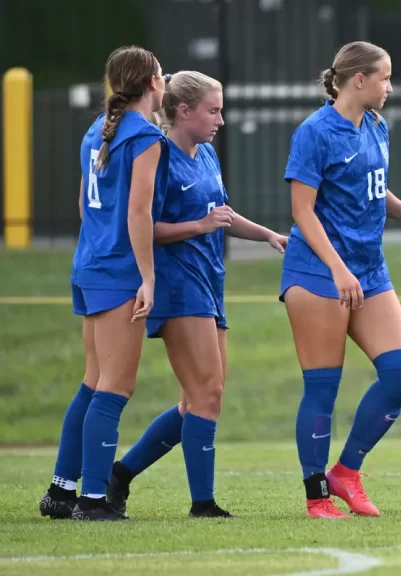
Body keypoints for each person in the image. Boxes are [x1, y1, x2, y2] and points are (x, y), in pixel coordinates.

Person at [101, 71, 289, 519]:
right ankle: (203, 504)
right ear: (183, 111)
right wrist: (198, 226)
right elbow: (144, 226)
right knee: (207, 393)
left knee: (199, 401)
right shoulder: (159, 154)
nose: (220, 120)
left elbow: (220, 215)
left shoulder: (205, 153)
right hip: (177, 286)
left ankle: (120, 475)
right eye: (213, 111)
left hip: (210, 282)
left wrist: (267, 234)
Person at [281, 41, 401, 519]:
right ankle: (317, 496)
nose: (390, 87)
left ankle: (346, 472)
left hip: (368, 271)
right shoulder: (314, 132)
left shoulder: (375, 124)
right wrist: (337, 269)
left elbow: (373, 188)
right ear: (358, 80)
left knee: (400, 372)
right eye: (384, 78)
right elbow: (302, 211)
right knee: (323, 388)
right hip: (318, 272)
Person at [38, 45, 168, 521]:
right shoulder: (145, 136)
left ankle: (61, 492)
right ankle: (93, 500)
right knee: (115, 387)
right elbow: (138, 214)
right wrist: (147, 277)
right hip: (118, 273)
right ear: (152, 83)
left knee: (93, 383)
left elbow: (83, 206)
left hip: (89, 266)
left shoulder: (98, 129)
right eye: (162, 75)